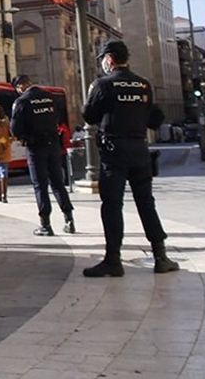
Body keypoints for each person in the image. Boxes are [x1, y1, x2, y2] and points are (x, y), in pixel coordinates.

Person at [82, 40, 180, 277]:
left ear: (110, 59)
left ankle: (113, 260)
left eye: (104, 59)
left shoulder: (103, 85)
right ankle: (160, 255)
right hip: (139, 150)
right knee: (146, 203)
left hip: (114, 152)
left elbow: (89, 115)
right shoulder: (143, 85)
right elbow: (155, 119)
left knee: (112, 204)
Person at [11, 74, 76, 236]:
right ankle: (69, 220)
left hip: (35, 147)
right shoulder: (49, 97)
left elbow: (15, 129)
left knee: (40, 185)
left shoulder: (22, 101)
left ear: (20, 86)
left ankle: (45, 224)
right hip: (53, 145)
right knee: (58, 184)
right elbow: (57, 117)